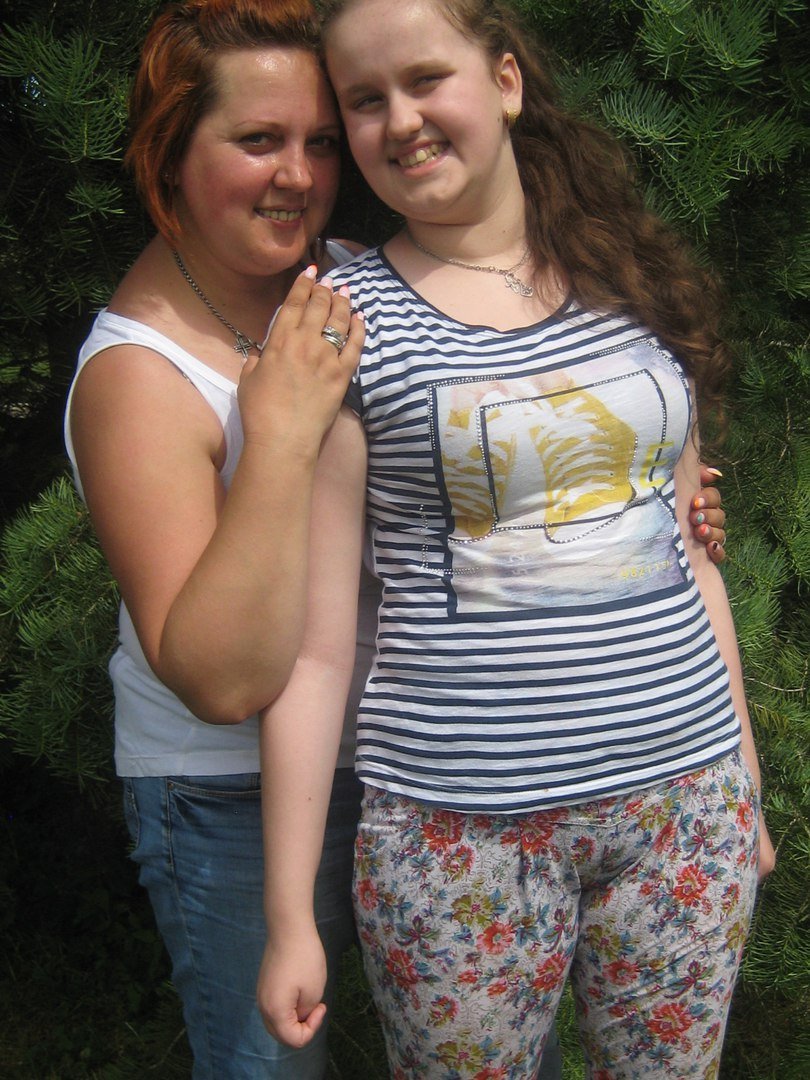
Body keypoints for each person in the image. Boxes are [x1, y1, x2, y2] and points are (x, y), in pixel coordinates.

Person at [62, 1, 724, 1076]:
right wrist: (281, 435)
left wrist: (641, 500)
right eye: (258, 140)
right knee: (270, 1064)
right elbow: (225, 682)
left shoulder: (347, 276)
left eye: (322, 140)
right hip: (231, 786)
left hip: (418, 759)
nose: (299, 174)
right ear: (170, 155)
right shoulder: (140, 375)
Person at [256, 1, 775, 1076]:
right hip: (458, 842)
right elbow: (315, 650)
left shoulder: (628, 280)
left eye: (424, 79)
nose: (401, 119)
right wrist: (290, 916)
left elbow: (694, 558)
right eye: (365, 100)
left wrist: (748, 786)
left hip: (686, 811)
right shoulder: (341, 320)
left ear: (505, 81)